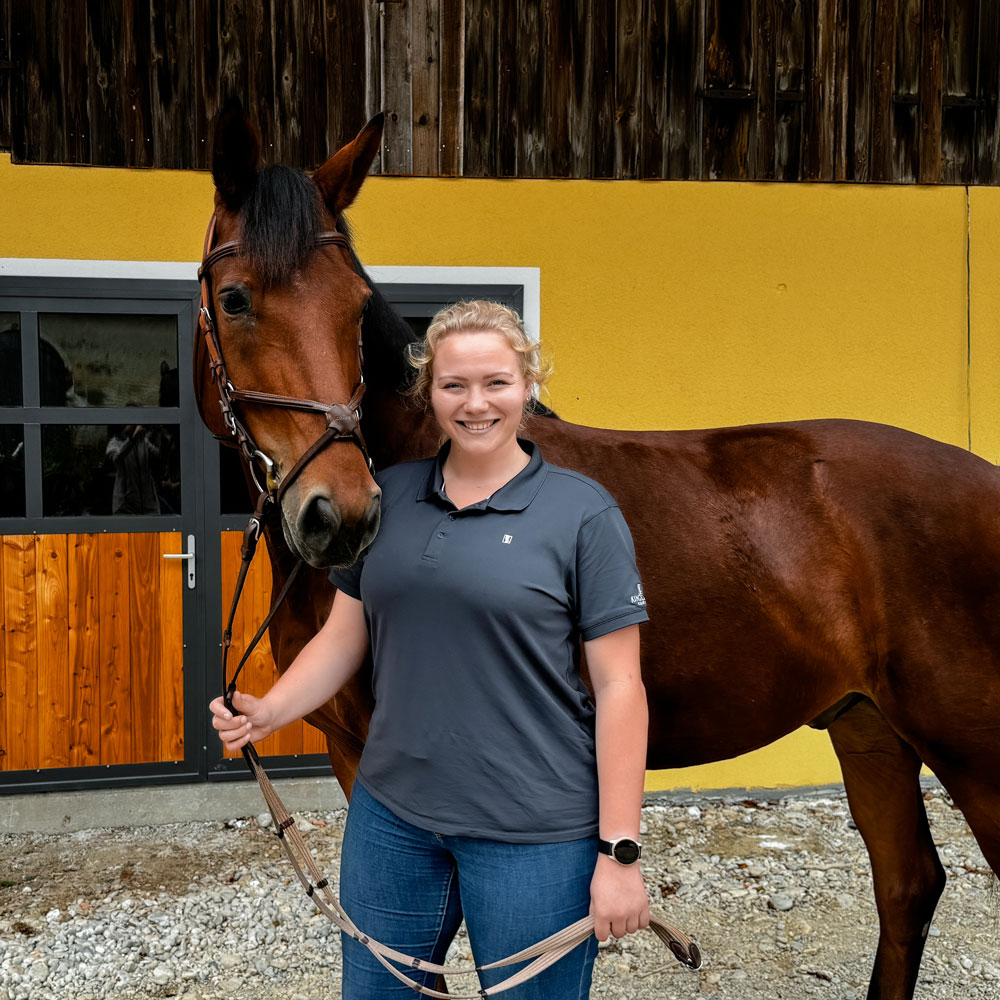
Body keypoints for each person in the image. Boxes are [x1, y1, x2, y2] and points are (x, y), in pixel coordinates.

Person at [210, 300, 651, 998]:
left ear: (528, 386)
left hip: (533, 832)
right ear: (428, 394)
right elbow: (343, 636)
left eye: (496, 383)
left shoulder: (582, 513)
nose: (476, 404)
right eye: (454, 386)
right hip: (393, 824)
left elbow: (622, 687)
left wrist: (620, 852)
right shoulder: (394, 499)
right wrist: (270, 710)